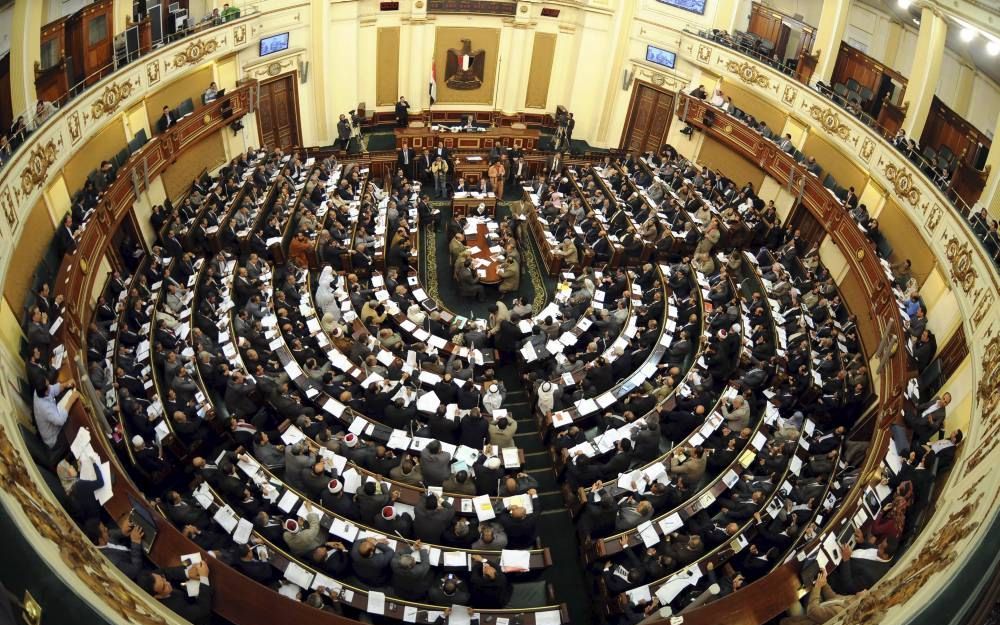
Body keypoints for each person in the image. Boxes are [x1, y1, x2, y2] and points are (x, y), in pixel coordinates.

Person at [138, 561, 213, 625]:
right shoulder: (175, 609)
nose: (168, 583)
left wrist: (187, 573)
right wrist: (204, 577)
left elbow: (165, 572)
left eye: (162, 578)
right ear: (156, 597)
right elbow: (203, 609)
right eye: (164, 587)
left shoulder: (149, 579)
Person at [34, 379, 75, 455]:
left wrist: (65, 384)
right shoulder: (44, 408)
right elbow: (60, 421)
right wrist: (71, 400)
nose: (50, 386)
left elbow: (52, 390)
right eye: (48, 385)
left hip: (54, 418)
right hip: (54, 438)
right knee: (74, 423)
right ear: (46, 392)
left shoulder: (38, 391)